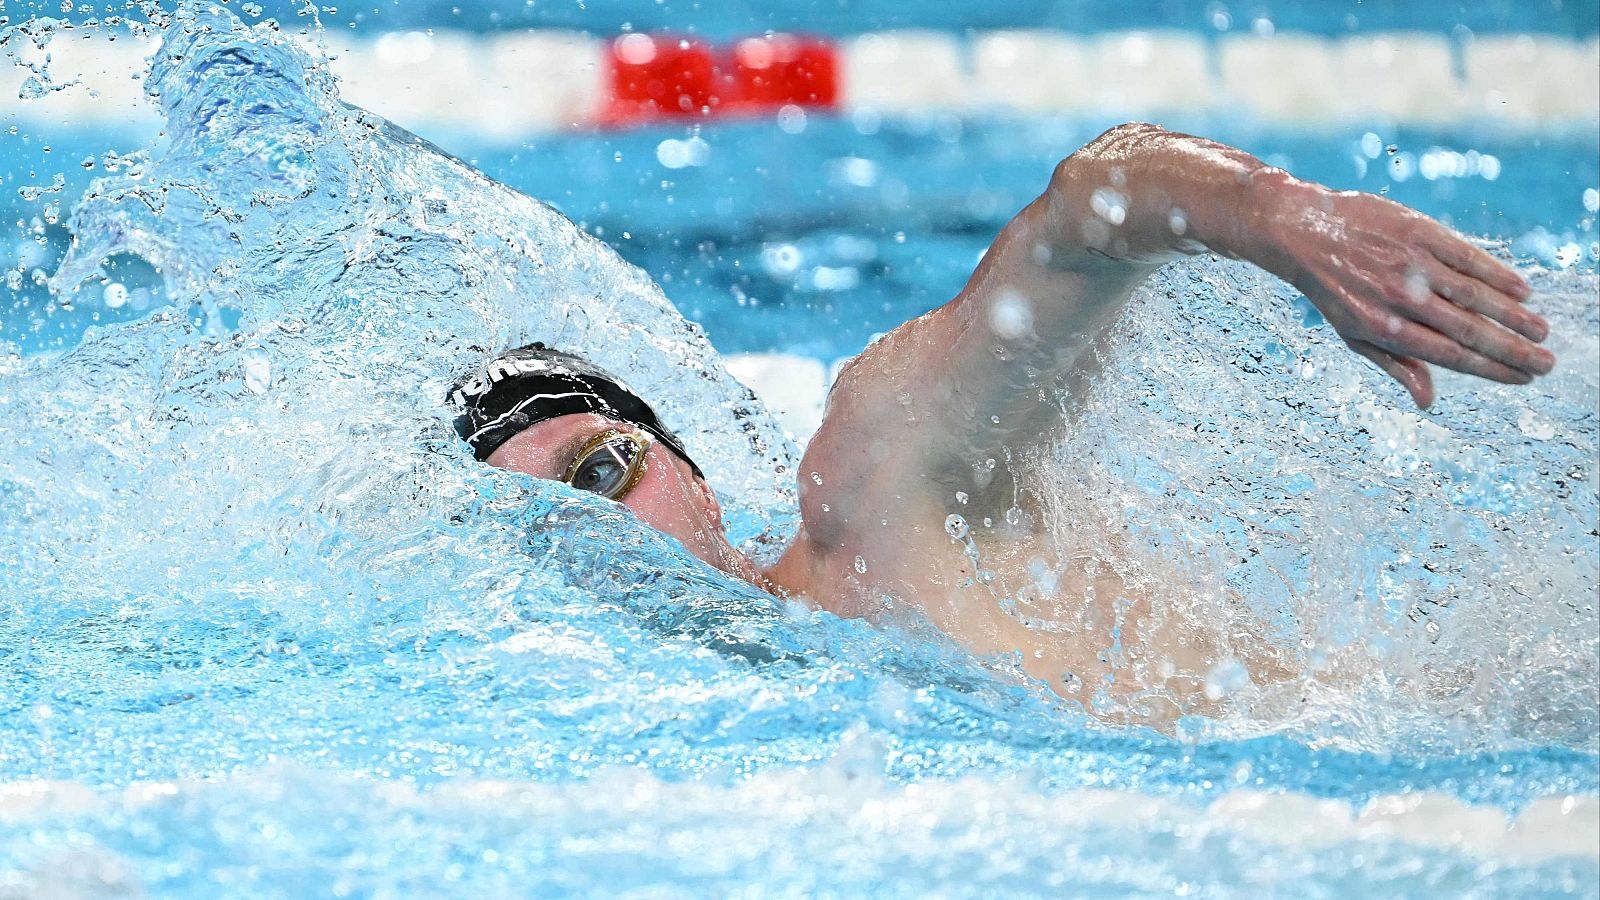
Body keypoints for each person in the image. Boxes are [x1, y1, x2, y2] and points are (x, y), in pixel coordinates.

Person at [450, 123, 1555, 717]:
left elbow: (1089, 208)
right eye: (531, 527)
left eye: (601, 475)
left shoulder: (874, 490)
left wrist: (1281, 219)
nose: (593, 536)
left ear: (689, 474)